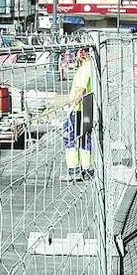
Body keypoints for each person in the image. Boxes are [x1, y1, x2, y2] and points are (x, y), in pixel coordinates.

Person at [59, 47, 95, 181]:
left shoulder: (85, 68)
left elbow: (80, 89)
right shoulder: (91, 67)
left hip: (78, 109)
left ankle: (73, 170)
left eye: (78, 51)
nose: (76, 55)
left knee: (70, 137)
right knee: (85, 138)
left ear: (83, 53)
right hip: (87, 108)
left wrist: (71, 106)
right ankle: (87, 170)